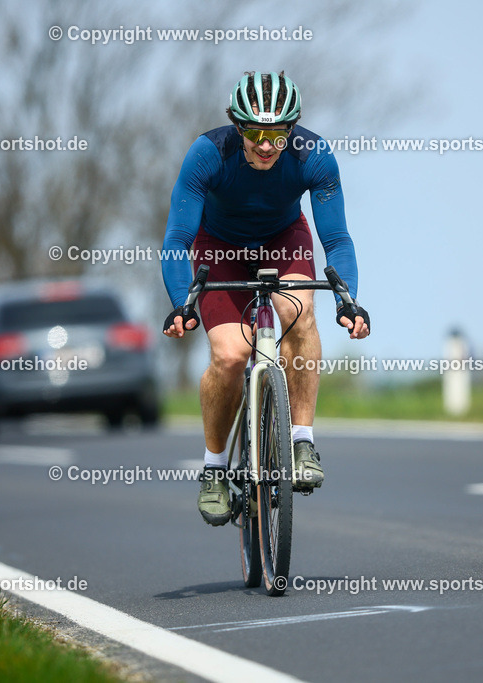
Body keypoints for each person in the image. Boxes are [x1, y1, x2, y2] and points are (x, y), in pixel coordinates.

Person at [161, 71, 371, 526]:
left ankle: (300, 442)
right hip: (219, 248)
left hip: (284, 239)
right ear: (237, 127)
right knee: (231, 356)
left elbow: (336, 239)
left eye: (277, 134)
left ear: (292, 129)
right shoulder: (207, 154)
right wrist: (183, 302)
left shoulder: (314, 156)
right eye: (255, 133)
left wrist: (348, 301)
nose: (266, 144)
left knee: (302, 312)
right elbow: (177, 238)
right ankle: (215, 470)